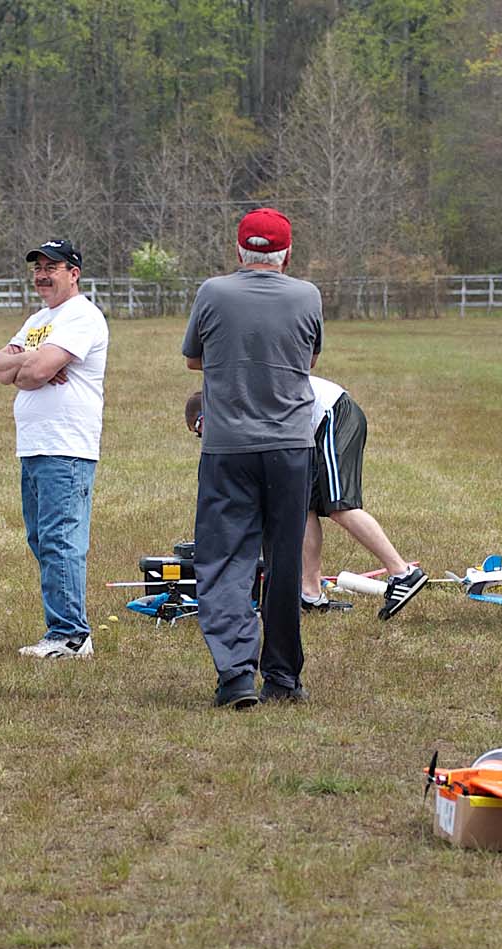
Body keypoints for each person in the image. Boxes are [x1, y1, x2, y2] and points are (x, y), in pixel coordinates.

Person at [180, 208, 323, 708]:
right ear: (287, 253)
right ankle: (282, 677)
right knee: (284, 562)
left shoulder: (212, 293)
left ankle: (236, 674)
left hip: (228, 447)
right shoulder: (308, 296)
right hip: (291, 446)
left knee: (224, 560)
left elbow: (194, 358)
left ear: (239, 250)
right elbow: (309, 358)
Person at [0, 238, 109, 659]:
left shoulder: (82, 316)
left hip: (66, 445)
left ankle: (70, 635)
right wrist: (36, 361)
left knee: (60, 540)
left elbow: (33, 371)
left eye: (51, 268)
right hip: (35, 445)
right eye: (37, 268)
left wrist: (31, 363)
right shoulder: (39, 319)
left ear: (73, 274)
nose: (42, 275)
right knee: (42, 539)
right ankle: (61, 628)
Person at [298, 376, 427, 619]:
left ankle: (403, 573)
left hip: (332, 415)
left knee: (340, 505)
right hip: (309, 429)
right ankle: (310, 594)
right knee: (303, 507)